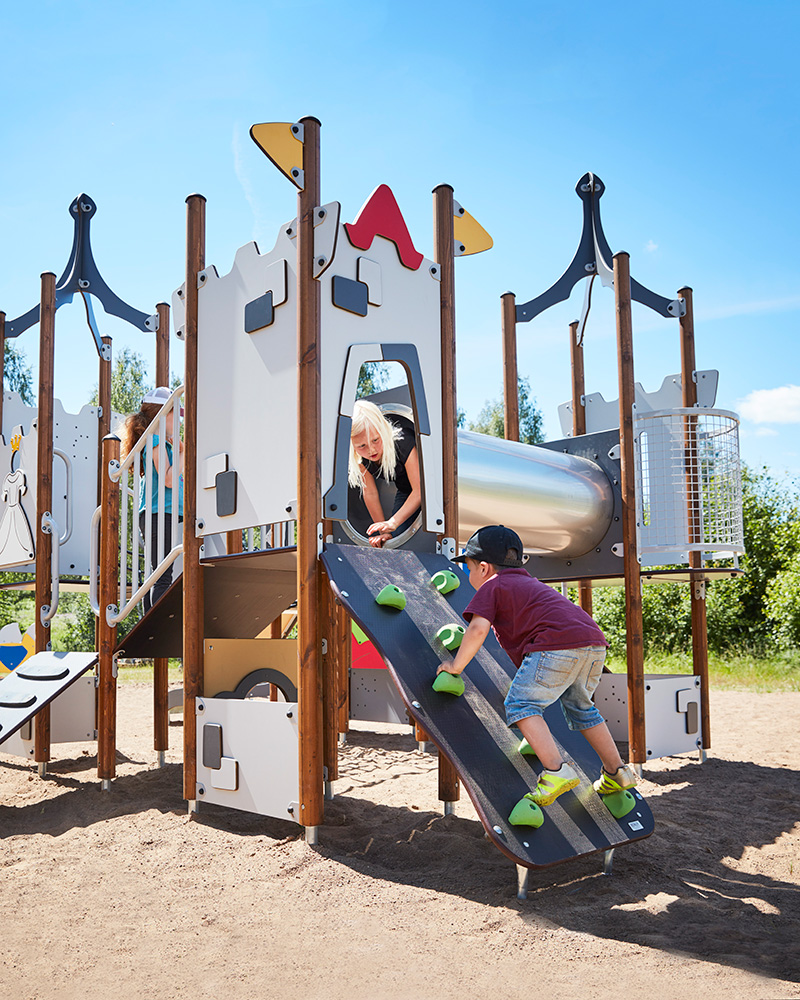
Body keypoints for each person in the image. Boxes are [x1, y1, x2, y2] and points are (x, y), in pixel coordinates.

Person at [437, 524, 637, 811]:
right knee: (582, 708)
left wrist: (456, 666)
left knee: (521, 704)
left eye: (468, 568)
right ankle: (617, 771)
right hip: (592, 643)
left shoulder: (493, 585)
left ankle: (556, 772)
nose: (469, 575)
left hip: (556, 645)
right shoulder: (531, 583)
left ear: (483, 567)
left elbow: (478, 629)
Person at [118, 386, 184, 608]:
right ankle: (153, 626)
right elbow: (168, 479)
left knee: (157, 575)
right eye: (178, 414)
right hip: (159, 513)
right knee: (161, 575)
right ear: (163, 415)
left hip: (163, 513)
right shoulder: (155, 441)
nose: (180, 422)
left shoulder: (162, 443)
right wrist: (185, 453)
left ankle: (150, 624)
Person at [348, 399, 421, 547]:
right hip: (405, 492)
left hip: (423, 489)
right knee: (396, 537)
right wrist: (383, 530)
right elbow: (370, 494)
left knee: (401, 528)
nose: (371, 450)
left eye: (375, 440)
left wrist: (393, 522)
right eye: (362, 445)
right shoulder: (361, 459)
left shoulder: (402, 441)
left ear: (383, 430)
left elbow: (420, 491)